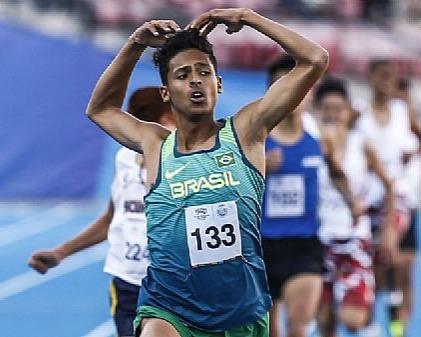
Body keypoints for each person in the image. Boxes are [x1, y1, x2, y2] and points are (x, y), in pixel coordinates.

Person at [85, 8, 329, 337]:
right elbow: (100, 109)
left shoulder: (247, 131)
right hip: (169, 306)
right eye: (183, 75)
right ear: (166, 92)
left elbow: (315, 59)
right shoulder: (155, 144)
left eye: (204, 72)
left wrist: (248, 18)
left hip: (240, 310)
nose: (196, 80)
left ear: (219, 84)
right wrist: (136, 43)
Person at [28, 87, 175, 337]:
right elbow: (112, 218)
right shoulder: (124, 159)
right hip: (127, 283)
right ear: (160, 121)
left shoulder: (185, 162)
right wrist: (61, 252)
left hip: (171, 287)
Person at [262, 56, 363, 337]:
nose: (289, 94)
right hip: (263, 246)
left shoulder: (318, 137)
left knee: (299, 327)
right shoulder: (256, 137)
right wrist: (261, 169)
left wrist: (351, 201)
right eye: (280, 87)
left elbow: (337, 173)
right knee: (270, 332)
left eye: (296, 86)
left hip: (304, 245)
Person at [313, 77, 396, 337]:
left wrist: (390, 231)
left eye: (338, 109)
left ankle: (370, 326)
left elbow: (389, 186)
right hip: (318, 241)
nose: (332, 115)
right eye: (326, 109)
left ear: (348, 111)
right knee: (324, 322)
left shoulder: (362, 145)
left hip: (354, 242)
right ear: (316, 111)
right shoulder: (310, 145)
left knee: (352, 319)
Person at [355, 59, 419, 337]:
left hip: (399, 201)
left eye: (391, 77)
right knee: (379, 274)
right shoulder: (359, 114)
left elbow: (419, 140)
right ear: (369, 77)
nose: (385, 81)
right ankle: (375, 324)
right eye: (380, 75)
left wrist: (413, 156)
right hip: (369, 202)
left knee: (399, 268)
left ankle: (396, 328)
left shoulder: (402, 111)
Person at [389, 77, 421, 337]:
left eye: (406, 98)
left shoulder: (416, 133)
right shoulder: (384, 128)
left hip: (410, 207)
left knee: (407, 270)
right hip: (386, 209)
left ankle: (401, 327)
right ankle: (386, 312)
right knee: (389, 270)